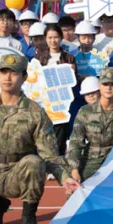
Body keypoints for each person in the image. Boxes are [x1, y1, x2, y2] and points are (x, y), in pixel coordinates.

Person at [0, 54, 79, 224]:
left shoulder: (35, 112)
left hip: (18, 173)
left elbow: (49, 154)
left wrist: (64, 178)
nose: (8, 78)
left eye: (14, 73)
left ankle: (28, 216)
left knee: (34, 162)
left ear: (24, 77)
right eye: (4, 72)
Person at [66, 68, 113, 183]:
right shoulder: (85, 112)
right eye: (105, 84)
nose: (108, 88)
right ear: (99, 86)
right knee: (74, 189)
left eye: (112, 84)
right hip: (91, 162)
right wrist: (74, 169)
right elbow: (76, 141)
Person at [35, 23, 78, 154]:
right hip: (44, 103)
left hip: (61, 104)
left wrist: (72, 73)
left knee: (60, 137)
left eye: (56, 37)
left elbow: (73, 83)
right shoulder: (38, 58)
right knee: (43, 136)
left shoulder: (69, 58)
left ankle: (58, 163)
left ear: (61, 38)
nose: (53, 41)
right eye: (50, 38)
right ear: (45, 38)